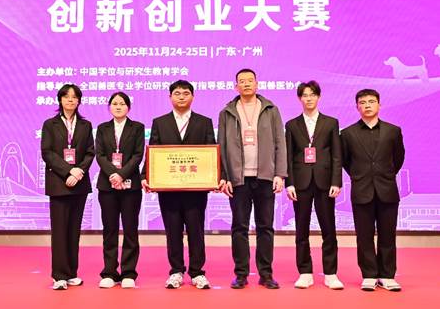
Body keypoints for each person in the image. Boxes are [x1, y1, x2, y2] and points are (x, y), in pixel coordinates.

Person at [141, 80, 217, 289]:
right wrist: (145, 175)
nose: (181, 96)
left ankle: (197, 272)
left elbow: (211, 150)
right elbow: (153, 151)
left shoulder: (204, 122)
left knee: (196, 230)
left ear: (192, 96)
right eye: (177, 93)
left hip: (196, 189)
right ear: (170, 97)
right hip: (169, 188)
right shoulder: (160, 122)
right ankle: (176, 271)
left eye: (185, 93)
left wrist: (216, 176)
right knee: (172, 231)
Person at [218, 68, 287, 290]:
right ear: (235, 86)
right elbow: (221, 146)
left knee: (265, 227)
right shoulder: (227, 112)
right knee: (239, 227)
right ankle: (241, 274)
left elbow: (280, 142)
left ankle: (266, 274)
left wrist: (280, 174)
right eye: (242, 81)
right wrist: (224, 176)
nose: (246, 84)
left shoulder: (271, 109)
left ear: (257, 84)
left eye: (250, 80)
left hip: (265, 177)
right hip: (238, 179)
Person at [340, 89, 405, 292]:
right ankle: (369, 275)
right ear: (357, 107)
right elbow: (346, 161)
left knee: (388, 235)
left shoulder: (393, 131)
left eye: (371, 101)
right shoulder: (348, 133)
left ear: (379, 105)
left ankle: (387, 275)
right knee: (364, 236)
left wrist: (384, 174)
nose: (367, 105)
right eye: (362, 102)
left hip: (387, 190)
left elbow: (398, 158)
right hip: (362, 190)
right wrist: (361, 176)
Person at [285, 81, 344, 290]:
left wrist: (336, 181)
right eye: (304, 95)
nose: (308, 98)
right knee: (301, 230)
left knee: (329, 229)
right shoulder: (292, 125)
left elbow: (337, 155)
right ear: (299, 98)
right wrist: (289, 183)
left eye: (312, 95)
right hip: (300, 183)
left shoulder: (331, 123)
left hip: (325, 182)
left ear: (318, 97)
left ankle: (331, 273)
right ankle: (305, 272)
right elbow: (288, 156)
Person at [40, 84, 95, 290]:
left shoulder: (86, 125)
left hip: (79, 183)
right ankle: (59, 275)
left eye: (74, 97)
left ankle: (72, 273)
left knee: (74, 230)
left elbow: (90, 152)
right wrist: (68, 171)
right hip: (59, 183)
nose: (70, 100)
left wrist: (79, 171)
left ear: (79, 101)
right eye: (66, 96)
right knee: (60, 230)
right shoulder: (50, 124)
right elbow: (47, 152)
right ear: (60, 100)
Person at [95, 92, 145, 289]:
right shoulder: (102, 128)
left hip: (130, 185)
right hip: (107, 186)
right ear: (109, 107)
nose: (118, 107)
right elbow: (100, 155)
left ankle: (128, 272)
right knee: (110, 229)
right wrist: (113, 175)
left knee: (130, 229)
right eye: (114, 103)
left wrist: (122, 174)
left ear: (128, 107)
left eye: (122, 104)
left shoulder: (137, 127)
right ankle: (109, 272)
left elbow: (138, 155)